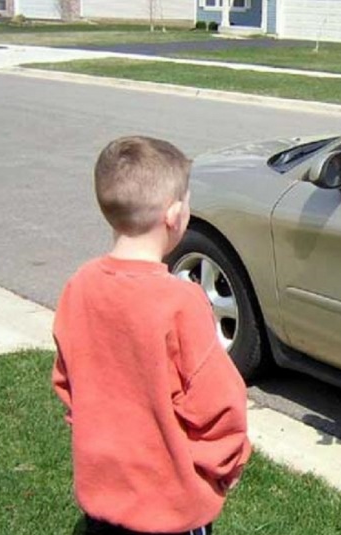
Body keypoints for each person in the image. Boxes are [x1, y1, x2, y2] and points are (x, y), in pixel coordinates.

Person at [52, 136, 251, 535]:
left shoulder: (80, 286)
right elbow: (218, 404)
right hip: (172, 509)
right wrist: (227, 464)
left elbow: (67, 380)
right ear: (174, 215)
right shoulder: (181, 302)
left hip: (103, 499)